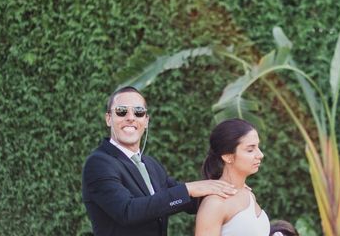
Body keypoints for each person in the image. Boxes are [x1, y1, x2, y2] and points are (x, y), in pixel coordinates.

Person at [82, 86, 238, 236]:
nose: (130, 117)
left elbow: (187, 202)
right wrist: (188, 189)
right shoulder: (98, 163)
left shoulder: (150, 164)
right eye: (122, 111)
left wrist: (230, 189)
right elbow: (127, 212)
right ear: (109, 118)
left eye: (138, 112)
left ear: (146, 120)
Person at [195, 118, 269, 236]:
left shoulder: (248, 194)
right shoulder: (215, 204)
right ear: (228, 157)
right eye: (250, 150)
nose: (260, 155)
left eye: (258, 147)